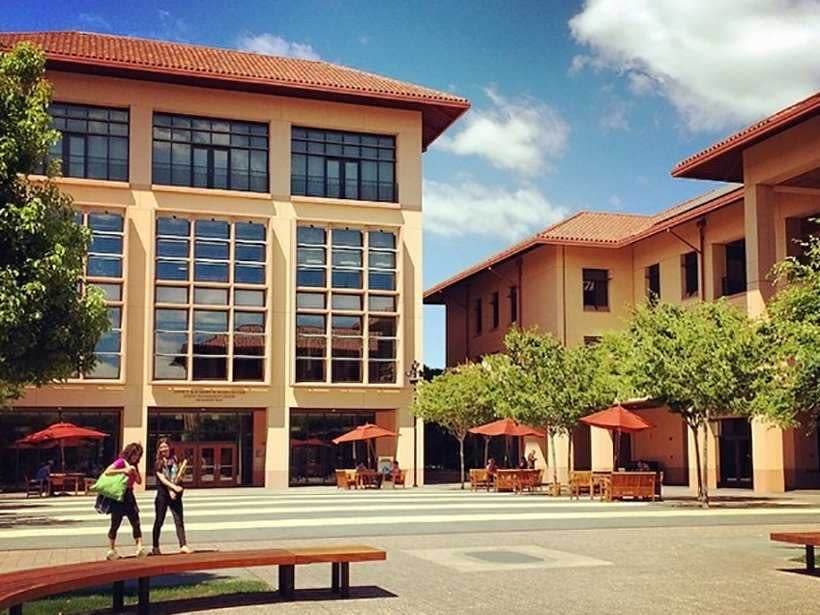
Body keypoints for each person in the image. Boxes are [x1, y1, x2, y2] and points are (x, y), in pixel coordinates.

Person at [104, 442, 146, 560]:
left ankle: (139, 547)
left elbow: (139, 481)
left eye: (138, 456)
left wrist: (135, 472)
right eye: (134, 455)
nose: (136, 458)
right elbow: (107, 472)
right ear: (129, 453)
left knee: (136, 521)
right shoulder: (121, 462)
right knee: (115, 523)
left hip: (129, 495)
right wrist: (123, 470)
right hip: (119, 495)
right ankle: (111, 549)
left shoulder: (134, 465)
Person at [152, 438, 191, 555]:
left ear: (169, 447)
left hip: (176, 495)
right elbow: (163, 479)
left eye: (165, 446)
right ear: (158, 449)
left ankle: (183, 545)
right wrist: (172, 488)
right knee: (159, 521)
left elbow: (180, 473)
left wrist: (179, 482)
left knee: (179, 520)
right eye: (161, 447)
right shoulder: (158, 462)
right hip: (163, 495)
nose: (163, 449)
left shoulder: (175, 459)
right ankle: (155, 546)